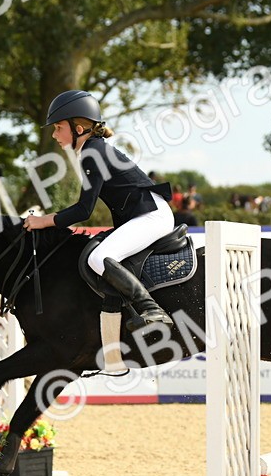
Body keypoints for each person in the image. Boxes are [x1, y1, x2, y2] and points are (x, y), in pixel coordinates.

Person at [22, 90, 174, 330]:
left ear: (78, 129)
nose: (54, 134)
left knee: (99, 258)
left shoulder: (92, 153)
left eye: (58, 127)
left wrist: (44, 221)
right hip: (146, 214)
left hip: (151, 216)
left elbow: (84, 210)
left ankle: (151, 309)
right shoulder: (94, 149)